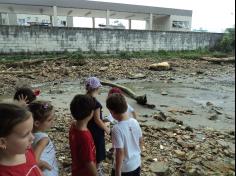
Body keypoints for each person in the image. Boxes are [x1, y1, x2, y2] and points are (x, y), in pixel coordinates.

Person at [0, 103, 43, 176]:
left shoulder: (26, 150)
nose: (33, 137)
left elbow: (35, 167)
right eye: (25, 135)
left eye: (31, 131)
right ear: (3, 142)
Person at [106, 94, 143, 176]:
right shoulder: (135, 122)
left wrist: (117, 172)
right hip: (136, 163)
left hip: (124, 168)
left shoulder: (116, 128)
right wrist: (138, 156)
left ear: (112, 112)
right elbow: (140, 140)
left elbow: (120, 152)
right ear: (126, 106)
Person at [85, 77, 110, 176]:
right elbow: (97, 120)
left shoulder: (84, 99)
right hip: (96, 131)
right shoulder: (96, 104)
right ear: (97, 88)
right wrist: (107, 129)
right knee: (99, 149)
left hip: (87, 127)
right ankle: (97, 168)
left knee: (90, 148)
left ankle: (89, 165)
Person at [69, 94, 98, 176]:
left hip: (76, 169)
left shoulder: (73, 126)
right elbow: (89, 162)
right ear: (91, 113)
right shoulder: (85, 137)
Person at [28, 101, 59, 176]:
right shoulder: (43, 139)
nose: (52, 122)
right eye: (49, 120)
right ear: (37, 123)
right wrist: (42, 163)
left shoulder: (27, 134)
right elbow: (34, 160)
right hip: (46, 172)